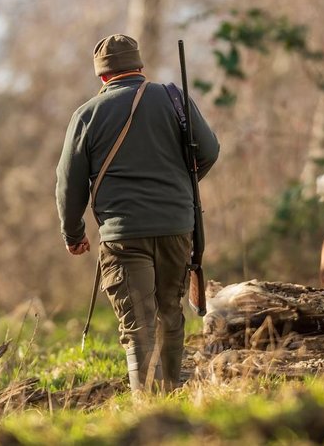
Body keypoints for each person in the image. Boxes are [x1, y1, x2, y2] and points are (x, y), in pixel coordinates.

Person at [55, 34, 219, 393]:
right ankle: (171, 398)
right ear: (140, 66)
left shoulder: (86, 115)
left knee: (138, 327)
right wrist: (179, 188)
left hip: (122, 235)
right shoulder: (175, 99)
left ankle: (149, 412)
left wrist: (73, 233)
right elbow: (209, 150)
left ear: (102, 77)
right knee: (170, 314)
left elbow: (69, 181)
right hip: (177, 227)